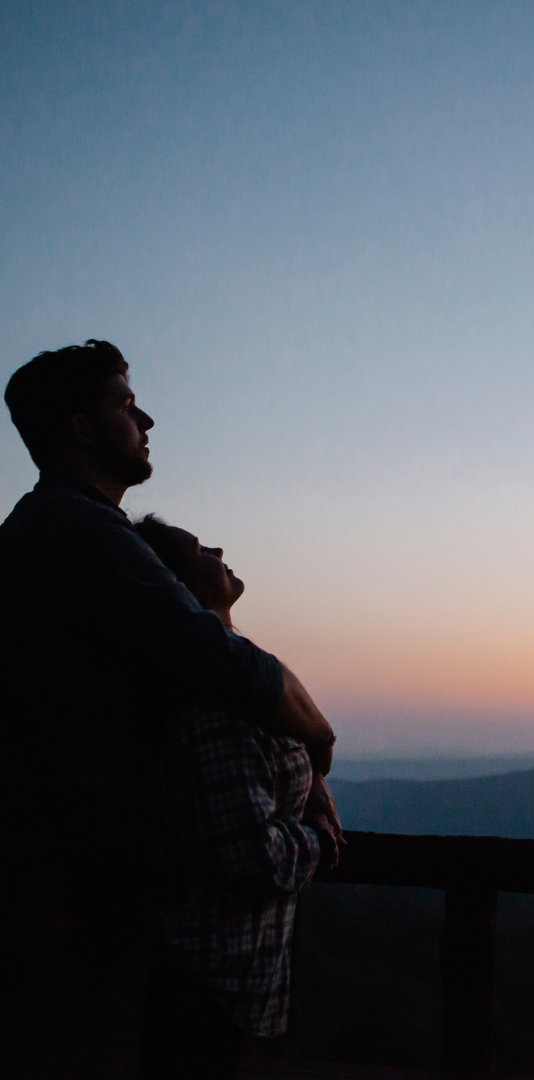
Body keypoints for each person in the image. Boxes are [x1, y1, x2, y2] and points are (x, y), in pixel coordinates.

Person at [0, 340, 336, 1079]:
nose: (146, 417)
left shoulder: (35, 536)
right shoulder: (81, 533)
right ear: (83, 428)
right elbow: (232, 666)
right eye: (125, 404)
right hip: (71, 895)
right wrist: (319, 740)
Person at [132, 515, 340, 1079]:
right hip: (207, 988)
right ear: (177, 588)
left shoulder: (240, 686)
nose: (219, 549)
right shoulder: (215, 706)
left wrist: (311, 786)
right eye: (200, 550)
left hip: (221, 985)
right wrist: (319, 840)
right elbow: (250, 855)